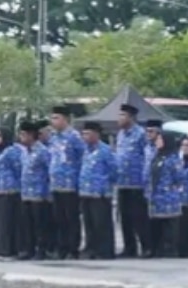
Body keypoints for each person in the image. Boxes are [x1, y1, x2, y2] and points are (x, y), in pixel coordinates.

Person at [49, 106, 85, 260]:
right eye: (52, 118)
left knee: (71, 218)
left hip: (70, 183)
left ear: (65, 119)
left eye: (56, 118)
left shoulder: (74, 137)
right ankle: (61, 247)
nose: (53, 121)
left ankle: (73, 248)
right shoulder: (54, 137)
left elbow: (82, 157)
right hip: (56, 183)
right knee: (59, 218)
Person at [78, 121, 117, 260]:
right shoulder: (85, 150)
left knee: (101, 223)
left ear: (96, 134)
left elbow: (114, 170)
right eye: (83, 134)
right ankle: (91, 248)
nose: (85, 137)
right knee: (89, 223)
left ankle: (104, 250)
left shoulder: (105, 150)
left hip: (100, 193)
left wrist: (104, 184)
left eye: (88, 134)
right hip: (85, 191)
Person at [115, 104, 149, 257]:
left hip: (137, 182)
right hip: (123, 182)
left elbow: (147, 156)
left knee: (139, 217)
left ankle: (146, 246)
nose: (120, 118)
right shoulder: (120, 134)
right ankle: (129, 248)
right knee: (125, 217)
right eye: (120, 115)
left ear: (131, 117)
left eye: (123, 115)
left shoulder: (141, 134)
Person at [17, 121, 50, 260]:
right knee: (27, 223)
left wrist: (48, 193)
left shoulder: (43, 151)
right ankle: (28, 249)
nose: (21, 137)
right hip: (26, 193)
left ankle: (41, 249)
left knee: (39, 224)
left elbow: (49, 171)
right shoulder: (24, 152)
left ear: (31, 135)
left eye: (23, 134)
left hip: (39, 193)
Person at [147, 130, 183, 258]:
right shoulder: (157, 156)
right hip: (156, 197)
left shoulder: (173, 158)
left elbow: (178, 177)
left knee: (170, 226)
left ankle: (170, 250)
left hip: (169, 198)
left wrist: (171, 188)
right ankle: (157, 249)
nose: (157, 142)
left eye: (159, 139)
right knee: (157, 225)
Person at [0, 127, 22, 258]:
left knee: (6, 222)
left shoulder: (12, 151)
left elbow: (18, 170)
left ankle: (8, 250)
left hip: (9, 191)